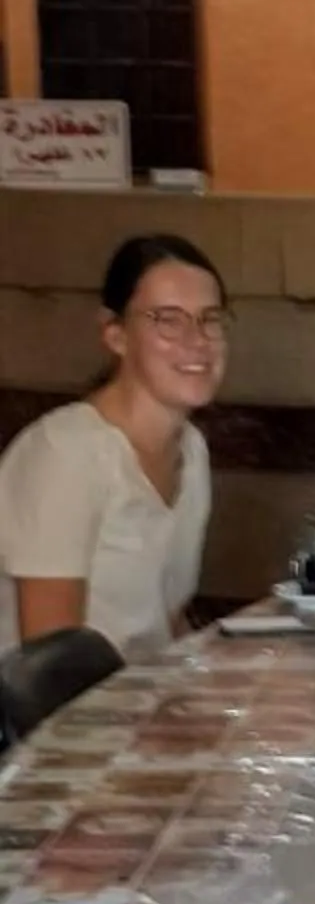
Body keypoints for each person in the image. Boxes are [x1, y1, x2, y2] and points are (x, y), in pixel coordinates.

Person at [0, 232, 228, 663]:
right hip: (54, 722)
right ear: (116, 335)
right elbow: (49, 669)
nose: (197, 340)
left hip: (140, 705)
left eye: (210, 318)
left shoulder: (191, 450)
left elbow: (166, 621)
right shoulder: (66, 453)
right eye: (168, 319)